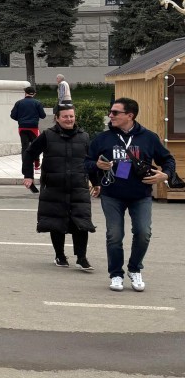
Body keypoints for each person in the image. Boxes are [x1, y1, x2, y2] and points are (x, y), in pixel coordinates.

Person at [86, 97, 176, 293]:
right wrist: (96, 165)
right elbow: (86, 162)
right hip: (112, 194)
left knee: (144, 233)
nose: (111, 115)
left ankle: (134, 269)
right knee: (114, 235)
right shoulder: (103, 138)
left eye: (115, 113)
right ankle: (116, 274)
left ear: (130, 115)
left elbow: (168, 159)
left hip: (141, 194)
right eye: (111, 112)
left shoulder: (148, 137)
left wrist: (165, 175)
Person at [21, 102, 95, 271]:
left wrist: (96, 182)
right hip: (54, 186)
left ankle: (82, 258)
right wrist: (28, 176)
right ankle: (60, 256)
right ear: (56, 118)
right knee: (56, 222)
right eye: (65, 116)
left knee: (81, 222)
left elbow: (90, 161)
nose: (69, 119)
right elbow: (30, 153)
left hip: (78, 186)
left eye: (71, 116)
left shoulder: (84, 136)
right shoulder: (47, 135)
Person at [11, 86, 47, 192]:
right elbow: (43, 115)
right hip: (33, 127)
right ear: (34, 93)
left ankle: (25, 165)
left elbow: (13, 115)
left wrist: (21, 119)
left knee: (25, 147)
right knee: (36, 147)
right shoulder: (37, 103)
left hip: (22, 127)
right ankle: (36, 165)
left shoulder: (19, 103)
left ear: (25, 93)